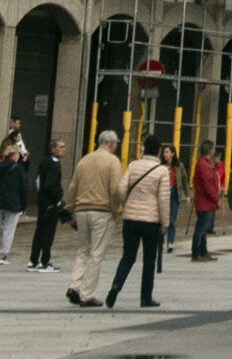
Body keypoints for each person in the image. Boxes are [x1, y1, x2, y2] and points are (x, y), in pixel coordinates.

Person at [108, 136, 171, 309]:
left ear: (143, 148)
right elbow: (163, 200)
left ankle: (115, 287)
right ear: (158, 150)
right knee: (149, 260)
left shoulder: (133, 165)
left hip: (130, 219)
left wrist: (126, 203)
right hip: (151, 221)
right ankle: (145, 297)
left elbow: (121, 188)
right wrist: (165, 223)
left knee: (128, 256)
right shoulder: (161, 170)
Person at [65, 129, 126, 307]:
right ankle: (87, 294)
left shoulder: (84, 160)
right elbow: (114, 189)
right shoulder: (112, 161)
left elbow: (73, 187)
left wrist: (70, 209)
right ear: (112, 144)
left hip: (82, 210)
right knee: (96, 253)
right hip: (102, 211)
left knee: (83, 250)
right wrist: (116, 210)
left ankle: (74, 286)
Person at [0, 141, 29, 264]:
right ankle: (2, 255)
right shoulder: (19, 168)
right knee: (9, 229)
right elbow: (23, 188)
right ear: (15, 155)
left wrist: (2, 162)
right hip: (13, 202)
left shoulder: (0, 165)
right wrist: (23, 205)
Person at [27, 139, 69, 272]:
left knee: (39, 230)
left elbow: (39, 181)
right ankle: (44, 261)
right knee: (48, 232)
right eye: (61, 147)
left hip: (42, 200)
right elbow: (50, 184)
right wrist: (57, 199)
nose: (64, 149)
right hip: (50, 202)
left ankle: (33, 260)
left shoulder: (44, 161)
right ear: (53, 149)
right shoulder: (54, 164)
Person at [189, 141, 223, 261]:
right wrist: (215, 198)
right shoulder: (204, 165)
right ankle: (196, 252)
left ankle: (203, 251)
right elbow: (207, 184)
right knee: (201, 228)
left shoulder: (206, 164)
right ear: (210, 150)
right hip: (205, 202)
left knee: (203, 228)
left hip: (205, 202)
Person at [159, 140, 181, 247]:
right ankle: (161, 240)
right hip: (164, 192)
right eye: (164, 152)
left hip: (174, 192)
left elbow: (183, 180)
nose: (165, 154)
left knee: (172, 219)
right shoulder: (161, 166)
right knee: (163, 218)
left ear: (172, 153)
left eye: (167, 152)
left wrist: (186, 194)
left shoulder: (178, 166)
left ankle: (170, 241)